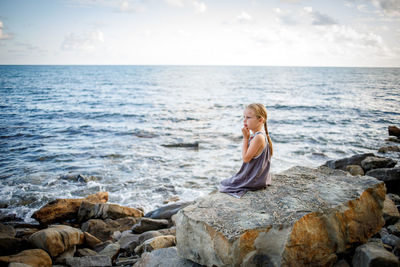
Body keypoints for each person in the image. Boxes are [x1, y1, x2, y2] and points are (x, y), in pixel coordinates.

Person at [219, 103, 273, 198]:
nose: (244, 120)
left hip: (254, 180)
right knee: (226, 182)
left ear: (260, 120)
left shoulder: (258, 137)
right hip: (259, 178)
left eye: (248, 117)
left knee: (225, 184)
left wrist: (245, 138)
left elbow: (245, 159)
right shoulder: (259, 136)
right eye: (244, 117)